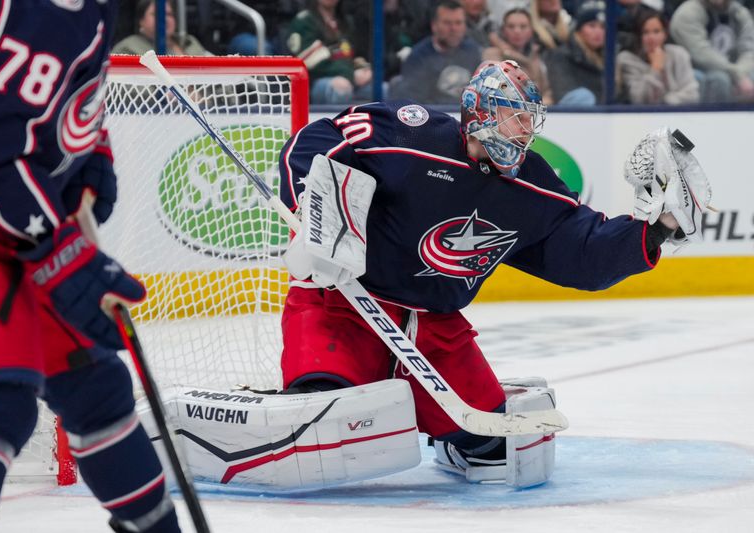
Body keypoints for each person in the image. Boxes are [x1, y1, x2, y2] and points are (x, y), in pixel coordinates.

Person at [273, 60, 708, 487]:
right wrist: (314, 215)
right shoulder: (411, 133)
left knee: (495, 448)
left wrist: (657, 230)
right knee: (319, 421)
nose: (522, 129)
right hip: (346, 307)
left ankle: (451, 443)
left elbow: (581, 251)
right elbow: (317, 141)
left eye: (528, 119)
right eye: (512, 115)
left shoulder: (532, 183)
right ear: (477, 108)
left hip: (433, 334)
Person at [0, 3, 181, 532]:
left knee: (94, 388)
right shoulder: (26, 10)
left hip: (11, 222)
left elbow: (68, 101)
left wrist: (92, 161)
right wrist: (60, 250)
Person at [392, 0, 483, 103]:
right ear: (434, 26)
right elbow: (414, 101)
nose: (453, 28)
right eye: (447, 23)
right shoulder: (419, 57)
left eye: (458, 23)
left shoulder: (472, 52)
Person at [285, 0, 373, 104]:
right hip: (312, 83)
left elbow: (355, 55)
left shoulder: (346, 21)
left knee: (381, 88)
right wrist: (351, 75)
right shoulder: (304, 21)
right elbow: (307, 61)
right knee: (341, 88)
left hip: (349, 78)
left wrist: (365, 70)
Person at [669, 0, 754, 103]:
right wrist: (737, 76)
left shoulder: (739, 13)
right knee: (719, 80)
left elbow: (749, 49)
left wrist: (741, 73)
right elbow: (701, 54)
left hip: (735, 69)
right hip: (695, 70)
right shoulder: (687, 14)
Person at [617, 10, 701, 104]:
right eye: (646, 32)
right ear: (639, 36)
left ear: (664, 34)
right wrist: (655, 69)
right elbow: (640, 100)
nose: (651, 38)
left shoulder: (679, 54)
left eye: (656, 32)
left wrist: (665, 102)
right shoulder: (627, 60)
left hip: (680, 115)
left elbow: (692, 94)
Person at [484, 7, 555, 104]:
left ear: (531, 31)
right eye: (511, 26)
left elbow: (547, 91)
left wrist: (544, 103)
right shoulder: (492, 55)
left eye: (523, 26)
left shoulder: (538, 56)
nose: (517, 31)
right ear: (503, 30)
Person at [546, 1, 607, 105]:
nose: (598, 32)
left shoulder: (610, 59)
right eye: (592, 26)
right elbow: (564, 94)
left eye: (602, 27)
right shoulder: (562, 56)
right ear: (579, 30)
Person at [112, 0, 209, 56]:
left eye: (169, 14)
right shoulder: (127, 48)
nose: (165, 19)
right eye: (156, 14)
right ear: (141, 20)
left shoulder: (190, 42)